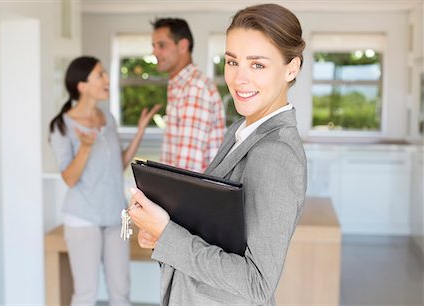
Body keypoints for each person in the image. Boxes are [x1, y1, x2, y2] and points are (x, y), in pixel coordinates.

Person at [128, 4, 307, 305]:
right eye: (232, 62)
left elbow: (257, 283)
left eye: (257, 65)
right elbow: (213, 231)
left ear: (292, 68)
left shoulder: (277, 153)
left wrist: (168, 234)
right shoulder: (239, 131)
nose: (238, 79)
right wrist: (162, 236)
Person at [49, 56, 160, 306]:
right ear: (82, 85)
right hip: (82, 218)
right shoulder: (62, 126)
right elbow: (69, 178)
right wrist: (85, 148)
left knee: (121, 292)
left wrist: (140, 131)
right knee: (86, 294)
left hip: (115, 216)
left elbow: (117, 165)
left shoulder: (107, 118)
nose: (107, 80)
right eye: (100, 75)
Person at [151, 17, 225, 172]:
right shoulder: (182, 86)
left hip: (187, 195)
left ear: (183, 45)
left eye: (161, 45)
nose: (154, 52)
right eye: (154, 46)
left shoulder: (194, 88)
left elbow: (186, 170)